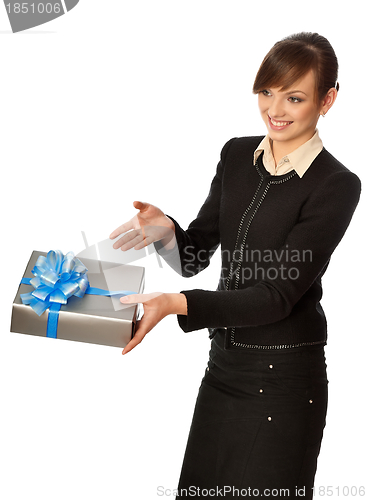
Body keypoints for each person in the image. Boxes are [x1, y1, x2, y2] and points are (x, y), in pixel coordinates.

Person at [109, 32, 361, 499]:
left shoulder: (337, 184)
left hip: (285, 381)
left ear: (327, 100)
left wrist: (174, 304)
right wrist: (168, 232)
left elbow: (276, 296)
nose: (275, 109)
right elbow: (194, 257)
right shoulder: (235, 155)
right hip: (224, 369)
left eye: (295, 96)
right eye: (266, 91)